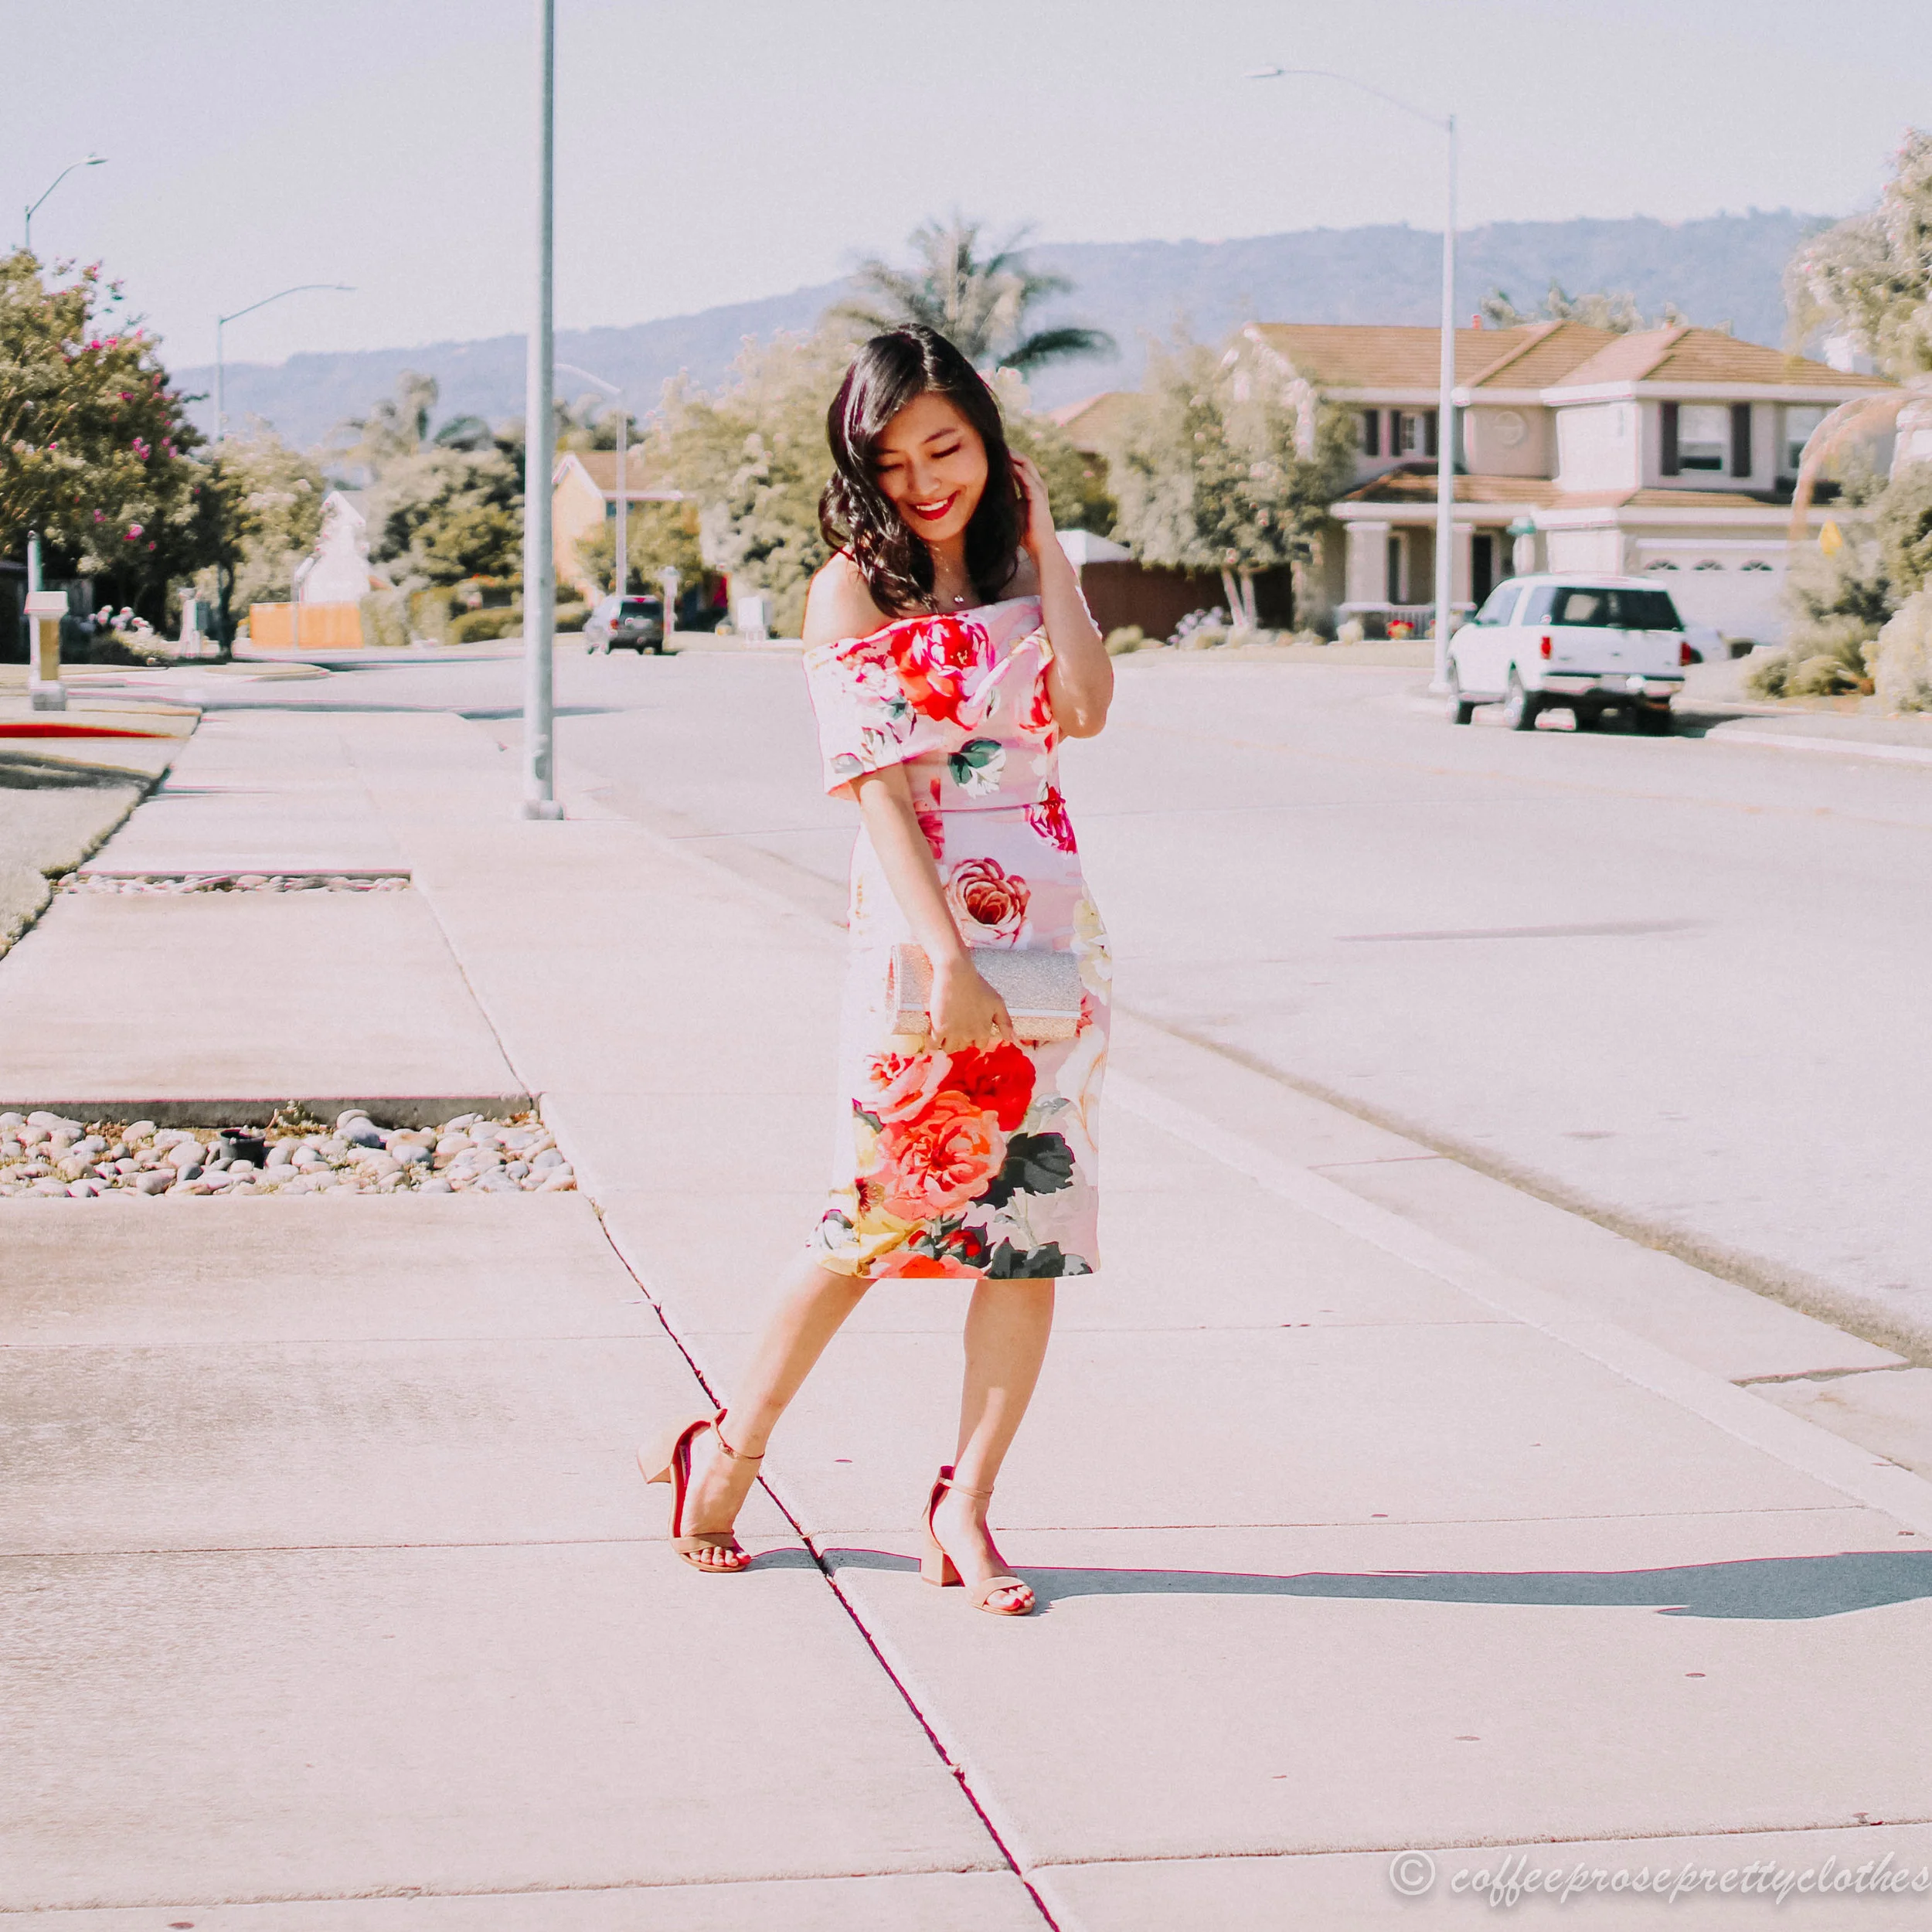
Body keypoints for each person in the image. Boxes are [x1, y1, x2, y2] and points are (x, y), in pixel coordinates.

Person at [641, 327, 1113, 1616]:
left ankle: (964, 1506)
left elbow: (1082, 707)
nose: (923, 481)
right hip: (925, 944)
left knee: (1024, 1234)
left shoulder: (1026, 562)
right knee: (877, 1217)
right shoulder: (850, 589)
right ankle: (726, 1453)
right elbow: (875, 795)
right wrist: (946, 960)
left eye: (947, 449)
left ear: (990, 440)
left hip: (1052, 935)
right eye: (893, 460)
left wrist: (1050, 537)